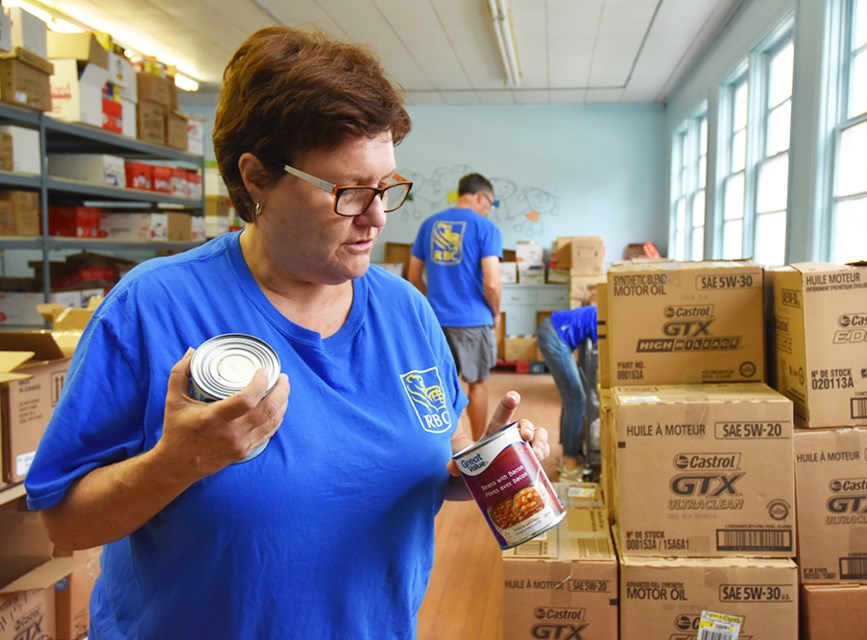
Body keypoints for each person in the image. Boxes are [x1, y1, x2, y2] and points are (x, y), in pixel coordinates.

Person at [24, 27, 550, 640]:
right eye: (350, 191)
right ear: (257, 179)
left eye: (387, 188)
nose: (377, 215)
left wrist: (488, 466)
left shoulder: (406, 312)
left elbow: (435, 469)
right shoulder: (154, 305)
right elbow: (63, 523)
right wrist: (175, 465)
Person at [407, 173, 503, 441]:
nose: (489, 210)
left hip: (436, 320)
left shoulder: (429, 224)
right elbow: (492, 283)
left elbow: (413, 275)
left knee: (440, 386)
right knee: (478, 384)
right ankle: (477, 444)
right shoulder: (486, 228)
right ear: (482, 197)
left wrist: (433, 302)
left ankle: (445, 445)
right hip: (474, 321)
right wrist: (494, 312)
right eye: (490, 203)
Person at [536, 291, 598, 480]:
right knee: (577, 399)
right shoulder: (602, 319)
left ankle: (568, 450)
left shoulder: (600, 311)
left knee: (572, 398)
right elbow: (602, 358)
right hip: (555, 336)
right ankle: (570, 461)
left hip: (551, 329)